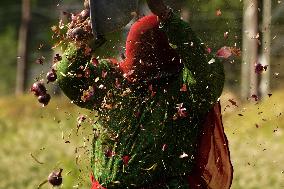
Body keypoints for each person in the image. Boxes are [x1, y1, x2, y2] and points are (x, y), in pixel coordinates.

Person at [54, 0, 233, 188]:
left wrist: (168, 19)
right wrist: (91, 29)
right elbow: (70, 77)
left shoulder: (183, 92)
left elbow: (206, 71)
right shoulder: (116, 84)